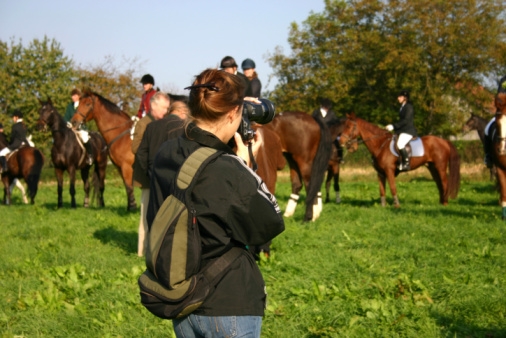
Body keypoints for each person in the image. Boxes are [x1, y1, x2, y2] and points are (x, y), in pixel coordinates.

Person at [147, 68, 285, 337]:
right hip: (229, 300)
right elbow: (267, 225)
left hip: (183, 299)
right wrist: (246, 166)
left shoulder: (167, 153)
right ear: (234, 113)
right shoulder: (227, 167)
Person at [132, 91, 171, 257]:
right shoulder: (143, 123)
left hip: (158, 176)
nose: (165, 112)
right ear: (153, 106)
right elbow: (136, 148)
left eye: (167, 109)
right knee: (146, 215)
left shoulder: (161, 123)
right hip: (146, 178)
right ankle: (143, 251)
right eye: (163, 108)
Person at [386, 90, 418, 171]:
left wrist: (393, 126)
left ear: (405, 98)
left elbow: (406, 120)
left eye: (400, 97)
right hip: (402, 130)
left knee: (400, 144)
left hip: (408, 131)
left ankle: (406, 163)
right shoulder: (402, 107)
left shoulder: (409, 107)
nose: (398, 98)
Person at [63, 88, 93, 165]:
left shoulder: (82, 104)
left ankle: (90, 155)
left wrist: (77, 126)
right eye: (72, 96)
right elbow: (66, 117)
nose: (72, 97)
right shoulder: (69, 106)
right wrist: (68, 123)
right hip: (70, 129)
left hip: (81, 128)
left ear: (79, 96)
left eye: (74, 95)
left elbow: (84, 117)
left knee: (85, 138)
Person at [312, 98, 344, 163]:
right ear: (322, 106)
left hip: (329, 132)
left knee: (338, 141)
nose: (327, 109)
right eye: (325, 107)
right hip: (318, 132)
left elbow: (336, 121)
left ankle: (340, 157)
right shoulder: (316, 112)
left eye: (327, 107)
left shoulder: (331, 113)